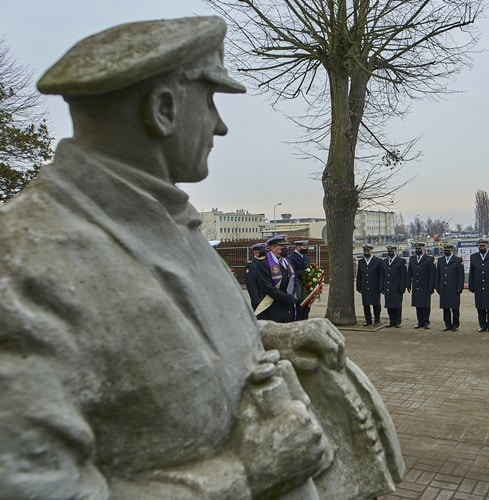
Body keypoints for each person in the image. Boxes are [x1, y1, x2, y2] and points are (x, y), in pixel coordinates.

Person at [0, 17, 402, 498]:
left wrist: (274, 335)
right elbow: (36, 486)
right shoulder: (26, 259)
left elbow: (173, 338)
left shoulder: (165, 218)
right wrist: (247, 471)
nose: (221, 125)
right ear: (164, 109)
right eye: (210, 101)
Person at [258, 234, 300, 323]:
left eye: (286, 245)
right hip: (273, 309)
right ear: (273, 248)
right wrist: (286, 298)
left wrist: (296, 295)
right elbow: (268, 287)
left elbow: (295, 280)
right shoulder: (264, 264)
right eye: (282, 246)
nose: (286, 248)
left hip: (289, 308)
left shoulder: (287, 262)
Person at [468, 238, 489, 333]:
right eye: (480, 246)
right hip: (478, 285)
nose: (482, 248)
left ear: (488, 246)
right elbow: (472, 272)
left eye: (483, 246)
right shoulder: (474, 257)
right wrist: (471, 285)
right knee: (480, 307)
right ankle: (482, 325)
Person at [435, 243, 465, 331]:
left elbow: (461, 275)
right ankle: (447, 324)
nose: (446, 252)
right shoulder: (440, 260)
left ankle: (455, 324)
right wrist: (437, 286)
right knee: (445, 307)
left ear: (452, 250)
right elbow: (438, 274)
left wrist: (460, 287)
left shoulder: (458, 260)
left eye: (447, 250)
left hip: (454, 288)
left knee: (455, 308)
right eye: (444, 250)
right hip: (443, 287)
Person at [407, 241, 435, 329]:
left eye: (419, 249)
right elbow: (409, 272)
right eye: (416, 249)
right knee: (418, 304)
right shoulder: (412, 259)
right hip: (416, 285)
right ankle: (420, 321)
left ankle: (426, 321)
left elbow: (432, 273)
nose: (418, 250)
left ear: (424, 249)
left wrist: (431, 285)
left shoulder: (429, 259)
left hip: (425, 285)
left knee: (426, 305)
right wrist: (408, 284)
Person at [357, 243, 384, 326]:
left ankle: (377, 319)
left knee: (376, 304)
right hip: (365, 286)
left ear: (371, 251)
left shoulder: (378, 261)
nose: (366, 252)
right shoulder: (361, 262)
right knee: (366, 304)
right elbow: (359, 275)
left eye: (368, 250)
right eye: (365, 251)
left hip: (375, 286)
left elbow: (381, 275)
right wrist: (358, 286)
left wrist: (381, 286)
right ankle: (368, 320)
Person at [382, 244, 407, 328]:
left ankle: (397, 321)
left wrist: (402, 287)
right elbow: (383, 275)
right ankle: (391, 320)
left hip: (397, 287)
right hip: (388, 287)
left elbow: (403, 275)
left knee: (397, 305)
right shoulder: (384, 261)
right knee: (389, 305)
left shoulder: (401, 261)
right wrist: (382, 287)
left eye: (391, 251)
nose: (390, 253)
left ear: (395, 251)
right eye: (388, 251)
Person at [288, 239, 311, 320]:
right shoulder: (291, 258)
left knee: (306, 308)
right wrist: (304, 272)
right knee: (299, 308)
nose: (306, 248)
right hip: (298, 286)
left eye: (306, 246)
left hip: (306, 287)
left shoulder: (305, 258)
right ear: (298, 247)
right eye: (304, 246)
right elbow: (292, 273)